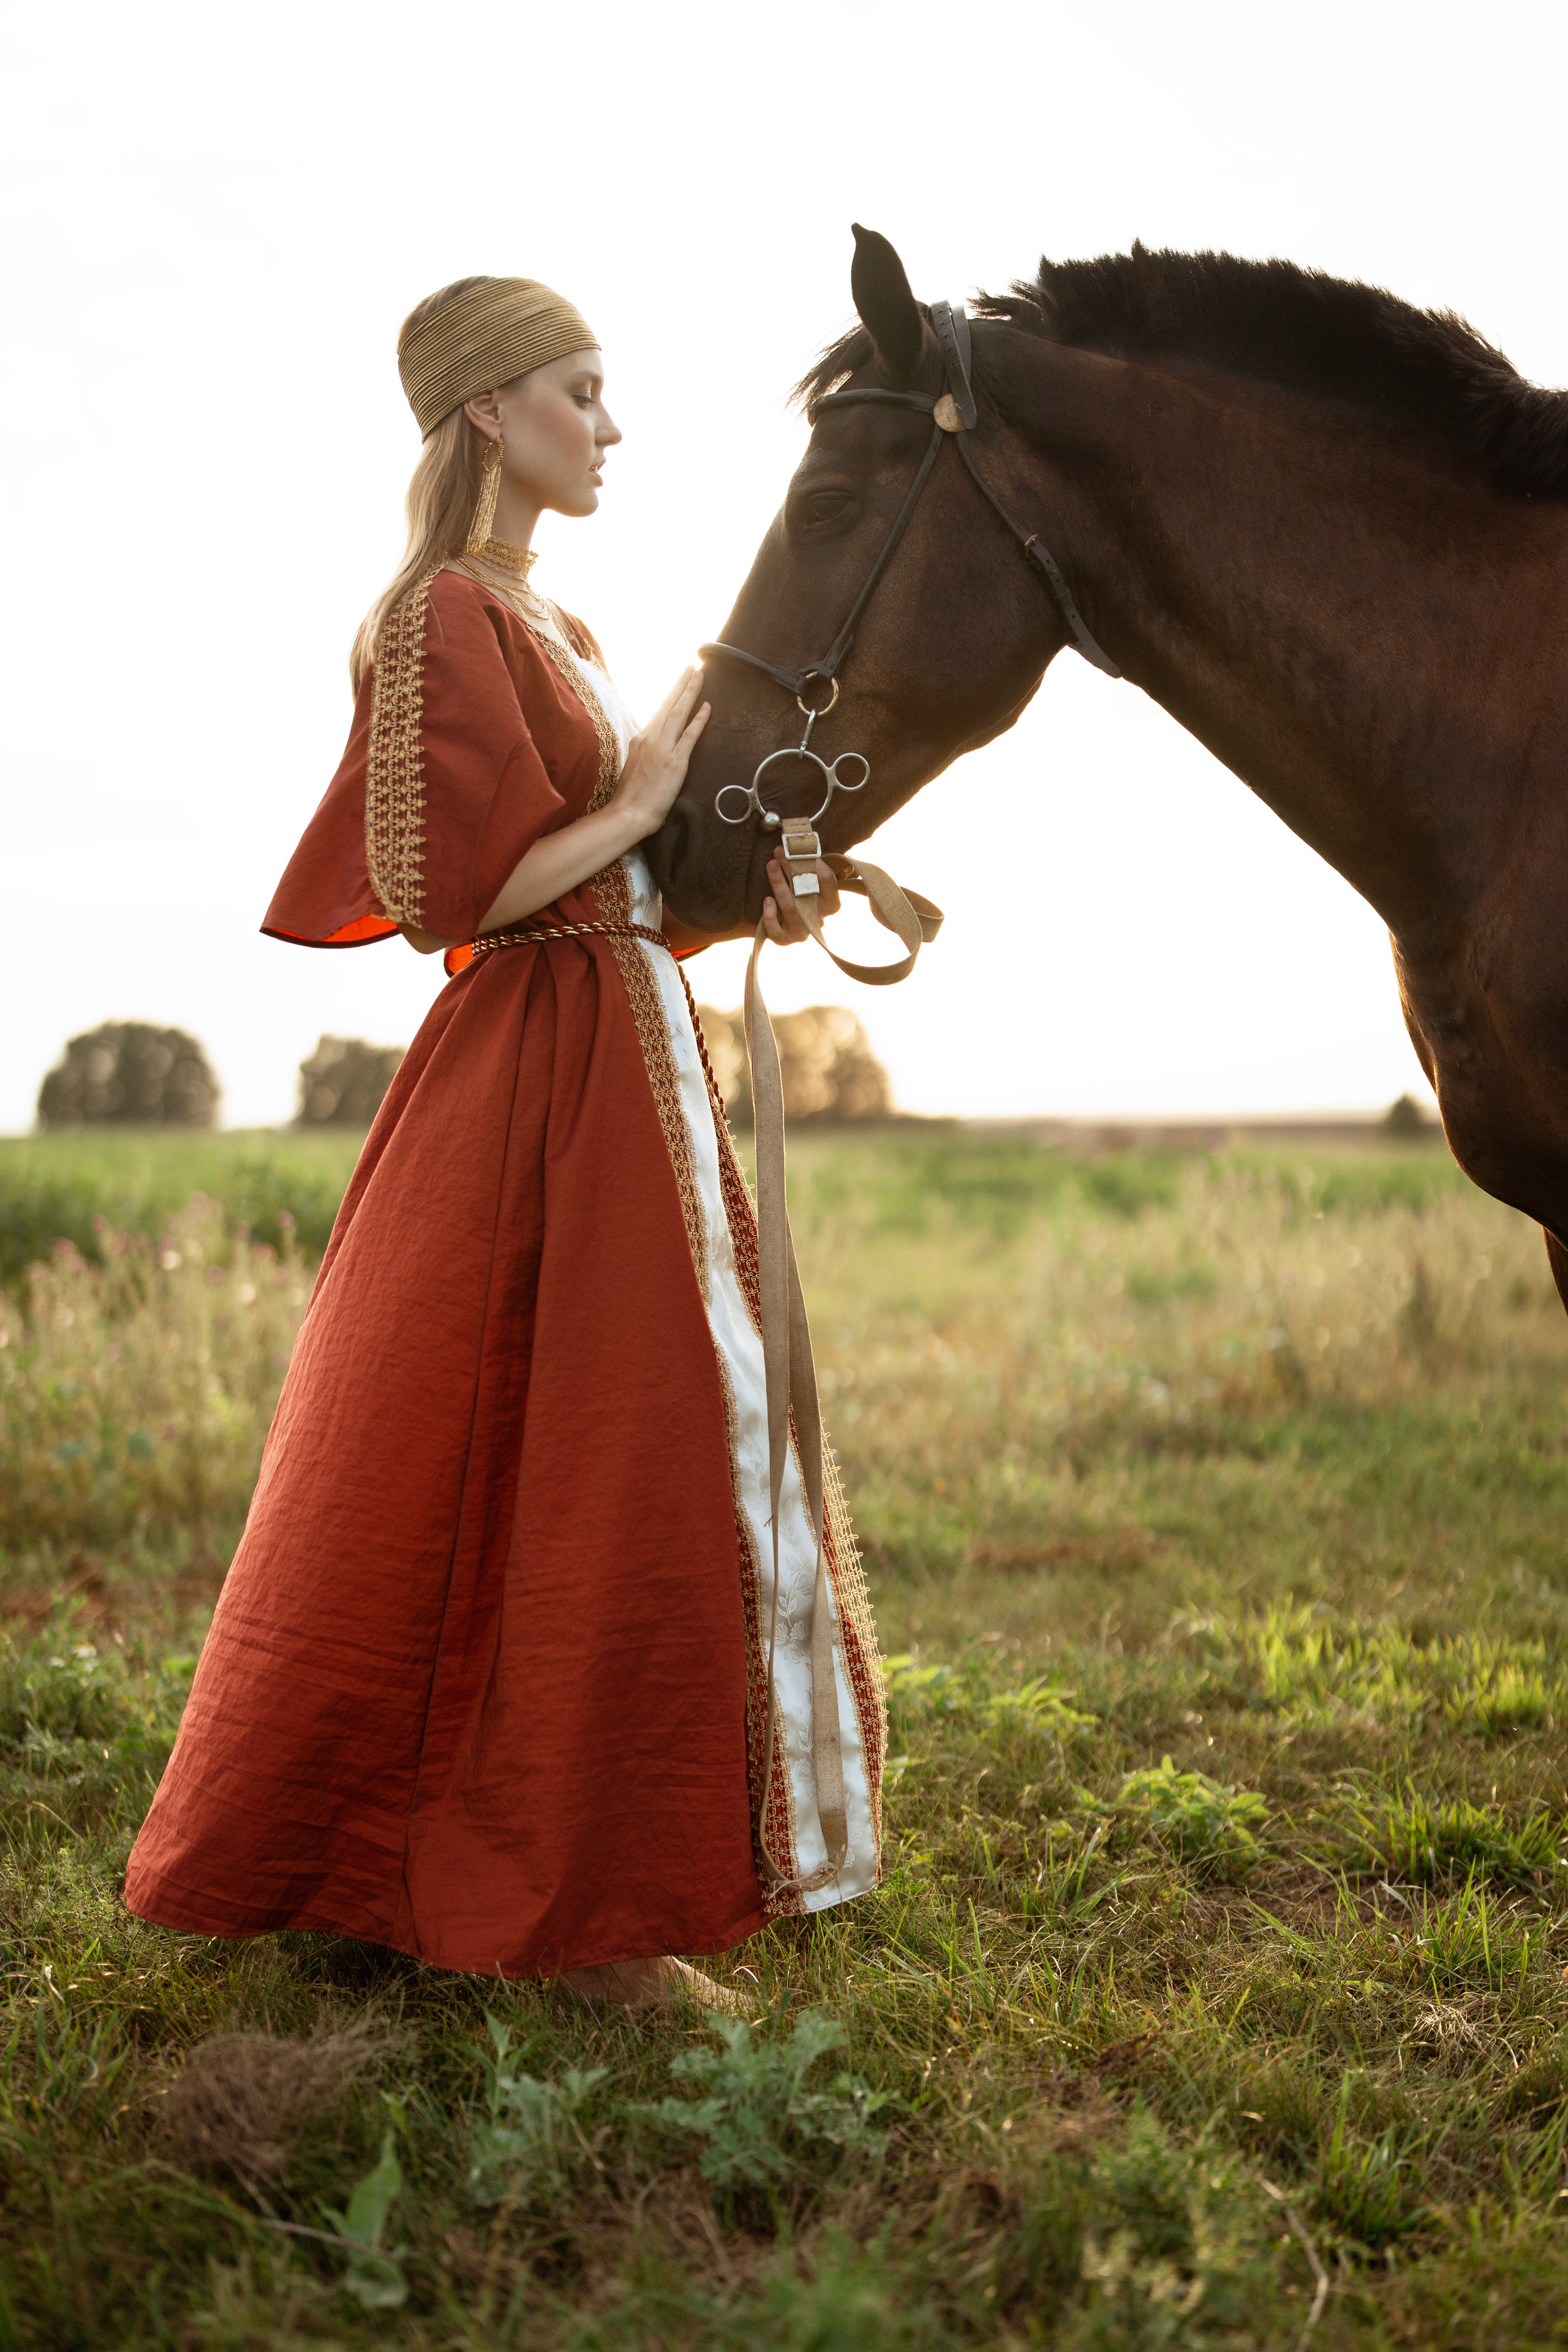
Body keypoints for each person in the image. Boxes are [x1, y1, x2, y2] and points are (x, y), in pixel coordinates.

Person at [123, 276, 886, 2009]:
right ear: (487, 412)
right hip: (532, 1083)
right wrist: (628, 811)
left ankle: (579, 1871)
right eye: (581, 393)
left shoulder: (566, 624)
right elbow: (443, 895)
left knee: (638, 1454)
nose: (612, 430)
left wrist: (729, 883)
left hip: (625, 1055)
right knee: (547, 1457)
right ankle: (547, 1920)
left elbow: (602, 891)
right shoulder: (437, 615)